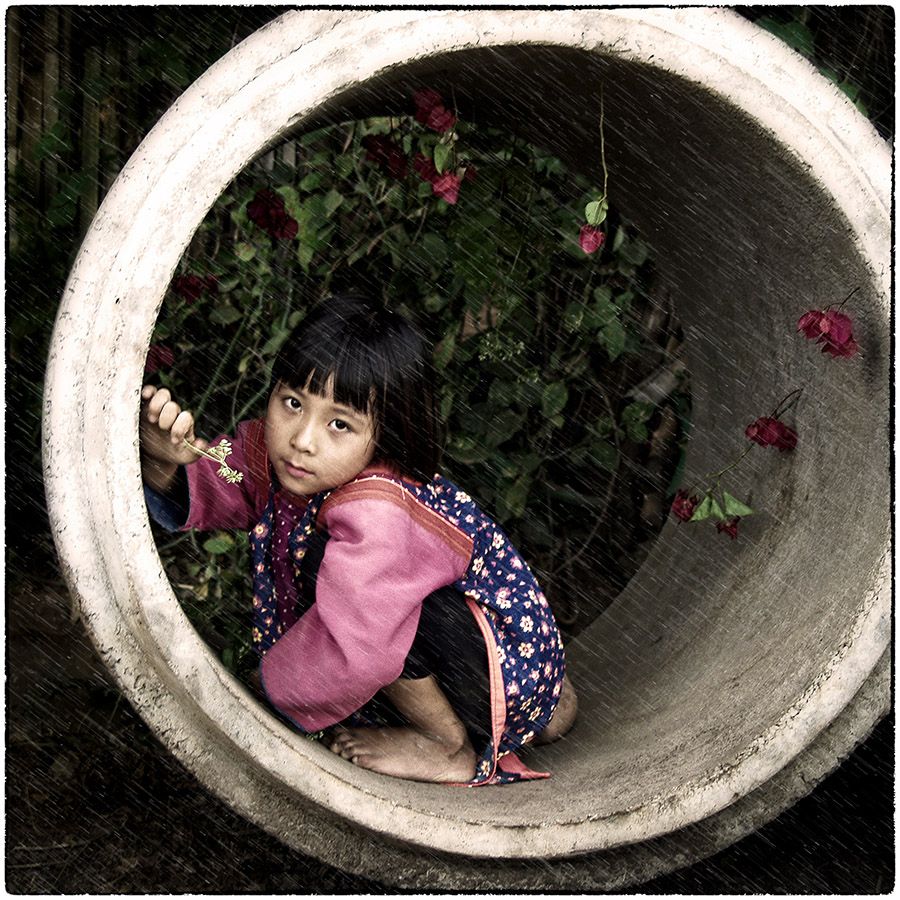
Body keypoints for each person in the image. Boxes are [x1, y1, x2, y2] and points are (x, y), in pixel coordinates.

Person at [140, 293, 577, 785]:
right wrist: (163, 460)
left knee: (363, 598)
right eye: (292, 403)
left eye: (340, 424)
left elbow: (365, 644)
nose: (303, 439)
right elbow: (220, 482)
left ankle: (449, 743)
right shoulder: (282, 457)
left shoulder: (379, 508)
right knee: (366, 604)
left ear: (383, 437)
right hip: (479, 663)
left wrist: (277, 697)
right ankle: (545, 707)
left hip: (494, 665)